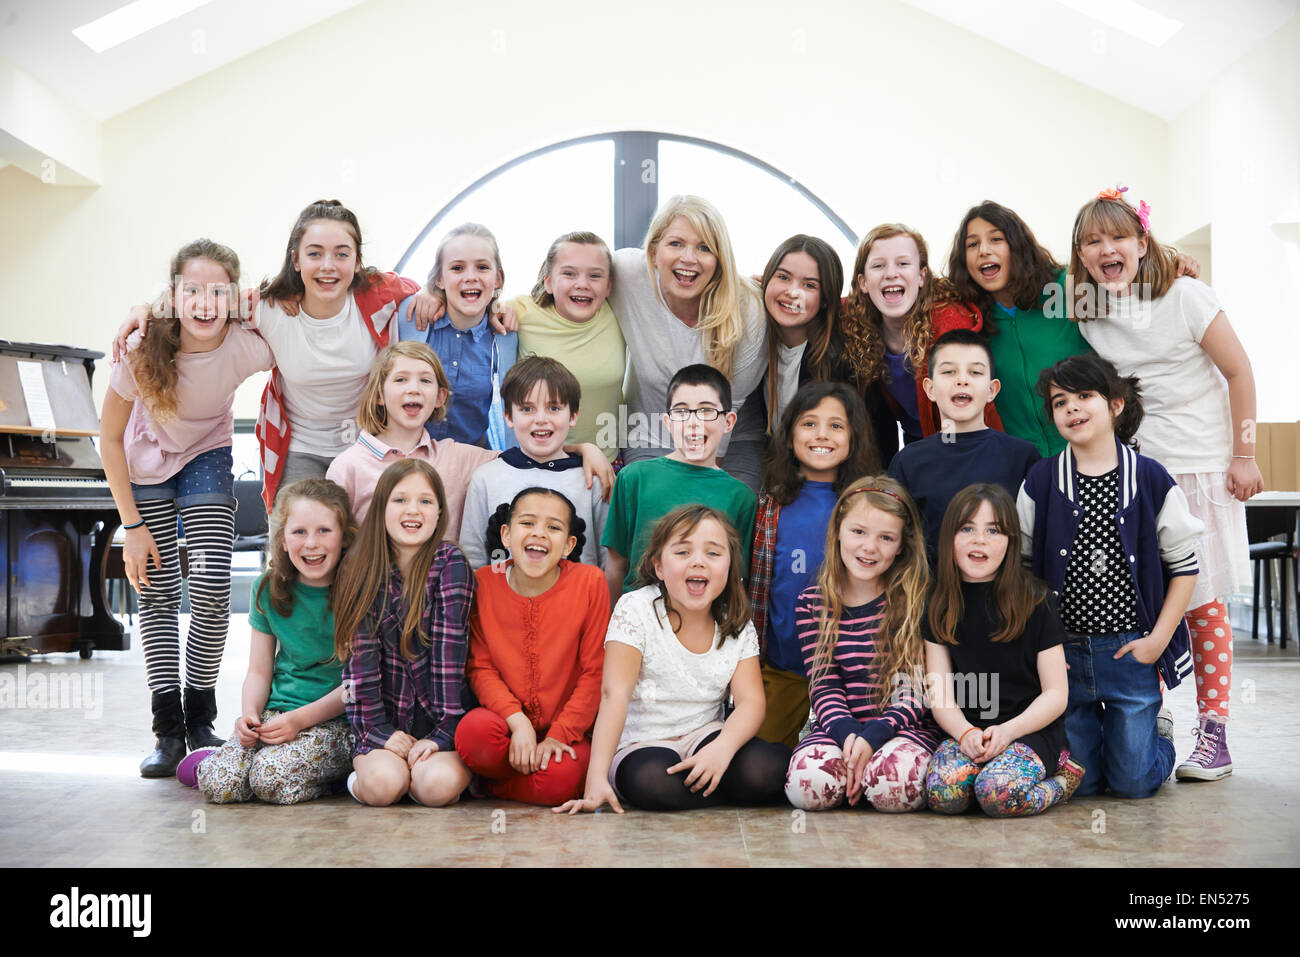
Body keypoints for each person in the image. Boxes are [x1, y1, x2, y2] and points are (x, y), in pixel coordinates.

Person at [1067, 186, 1262, 781]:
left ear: (1142, 241)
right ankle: (1156, 718)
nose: (1106, 249)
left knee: (1201, 604)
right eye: (1092, 241)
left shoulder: (1187, 294)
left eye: (1118, 236)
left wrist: (1245, 454)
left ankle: (1216, 735)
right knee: (1147, 605)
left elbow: (1239, 369)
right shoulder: (1084, 307)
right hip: (1133, 475)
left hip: (1200, 468)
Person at [101, 238, 273, 778]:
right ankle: (166, 730)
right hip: (146, 460)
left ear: (235, 298)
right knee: (157, 590)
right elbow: (107, 440)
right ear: (171, 296)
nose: (204, 302)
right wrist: (132, 527)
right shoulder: (141, 348)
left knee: (211, 588)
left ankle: (200, 718)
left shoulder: (248, 342)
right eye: (191, 289)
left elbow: (300, 314)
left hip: (206, 454)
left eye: (217, 291)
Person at [1018, 354, 1203, 799]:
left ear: (1116, 404)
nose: (1072, 409)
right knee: (1083, 786)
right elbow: (1022, 569)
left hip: (1130, 651)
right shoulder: (1041, 481)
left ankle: (1156, 734)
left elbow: (1185, 567)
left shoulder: (1151, 478)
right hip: (1065, 656)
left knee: (1133, 783)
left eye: (1085, 396)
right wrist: (1040, 646)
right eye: (1060, 402)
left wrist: (1158, 640)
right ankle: (1108, 741)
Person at [556, 505, 791, 813]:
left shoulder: (734, 620)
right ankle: (727, 790)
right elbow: (614, 695)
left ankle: (717, 780)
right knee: (652, 781)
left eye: (713, 553)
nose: (698, 562)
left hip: (707, 735)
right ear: (659, 567)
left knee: (771, 768)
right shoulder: (635, 609)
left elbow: (750, 702)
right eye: (682, 552)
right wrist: (595, 778)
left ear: (730, 566)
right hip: (644, 744)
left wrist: (722, 749)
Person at [326, 342, 612, 543]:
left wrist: (584, 449)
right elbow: (334, 541)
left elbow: (530, 454)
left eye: (425, 381)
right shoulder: (348, 466)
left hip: (439, 604)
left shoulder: (458, 457)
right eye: (401, 379)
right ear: (378, 394)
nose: (413, 388)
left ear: (439, 398)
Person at [188, 479, 356, 803]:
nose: (311, 544)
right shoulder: (267, 587)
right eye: (299, 532)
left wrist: (300, 721)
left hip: (337, 723)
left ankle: (334, 780)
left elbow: (358, 684)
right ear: (282, 539)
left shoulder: (359, 590)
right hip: (277, 714)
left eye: (324, 531)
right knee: (219, 785)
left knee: (268, 778)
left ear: (345, 537)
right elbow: (259, 671)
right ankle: (222, 762)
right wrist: (249, 714)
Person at [923, 484, 1083, 817]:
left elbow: (1056, 694)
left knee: (998, 794)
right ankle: (982, 776)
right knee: (942, 793)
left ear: (1010, 542)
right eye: (967, 528)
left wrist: (1009, 731)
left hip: (1029, 730)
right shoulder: (938, 603)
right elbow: (940, 694)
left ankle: (1063, 780)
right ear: (948, 537)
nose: (979, 539)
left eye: (993, 530)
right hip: (968, 730)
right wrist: (964, 732)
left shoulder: (1036, 600)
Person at [784, 476, 940, 812]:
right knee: (806, 787)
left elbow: (915, 689)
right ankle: (858, 775)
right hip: (841, 727)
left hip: (902, 727)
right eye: (858, 532)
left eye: (886, 538)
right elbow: (823, 685)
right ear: (838, 529)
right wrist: (850, 736)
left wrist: (875, 737)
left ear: (901, 546)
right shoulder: (812, 603)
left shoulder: (914, 600)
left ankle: (870, 778)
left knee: (894, 784)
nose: (869, 547)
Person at [332, 460, 475, 807]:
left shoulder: (450, 563)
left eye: (425, 501)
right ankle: (372, 777)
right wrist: (380, 732)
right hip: (384, 720)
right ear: (381, 508)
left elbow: (451, 663)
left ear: (440, 513)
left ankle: (417, 777)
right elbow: (357, 672)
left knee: (437, 788)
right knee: (382, 787)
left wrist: (442, 736)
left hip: (442, 721)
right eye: (400, 500)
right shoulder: (360, 568)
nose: (413, 510)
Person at [455, 488, 610, 804]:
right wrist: (519, 722)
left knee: (560, 778)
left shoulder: (590, 582)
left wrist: (558, 735)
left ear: (568, 545)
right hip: (505, 724)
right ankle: (516, 769)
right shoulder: (485, 582)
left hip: (567, 731)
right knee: (473, 736)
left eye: (553, 527)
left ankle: (492, 787)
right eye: (527, 523)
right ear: (506, 535)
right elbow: (480, 667)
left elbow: (596, 672)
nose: (539, 532)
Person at [748, 381, 877, 749]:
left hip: (854, 679)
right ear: (789, 437)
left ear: (854, 438)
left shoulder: (867, 505)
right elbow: (757, 588)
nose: (822, 434)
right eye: (809, 424)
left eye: (836, 426)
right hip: (783, 671)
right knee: (757, 770)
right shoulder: (769, 507)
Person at [840, 223, 1001, 463]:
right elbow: (820, 302)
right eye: (878, 265)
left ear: (921, 276)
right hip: (917, 439)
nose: (891, 273)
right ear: (863, 283)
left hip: (965, 440)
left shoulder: (949, 327)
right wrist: (766, 286)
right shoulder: (858, 322)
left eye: (903, 263)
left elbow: (980, 410)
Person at [601, 364, 757, 603]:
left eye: (707, 411)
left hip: (705, 627)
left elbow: (736, 580)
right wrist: (612, 626)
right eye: (682, 412)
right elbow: (615, 564)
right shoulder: (634, 478)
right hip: (637, 625)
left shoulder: (741, 497)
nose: (693, 422)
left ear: (728, 421)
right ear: (667, 421)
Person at [887, 329, 1039, 556]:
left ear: (992, 390)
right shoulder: (908, 461)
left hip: (1006, 589)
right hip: (932, 589)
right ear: (929, 389)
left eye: (975, 372)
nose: (962, 380)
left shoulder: (1022, 457)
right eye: (949, 371)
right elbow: (898, 541)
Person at [459, 356, 609, 570]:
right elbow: (472, 558)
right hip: (504, 601)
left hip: (575, 602)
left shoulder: (591, 479)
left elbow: (607, 559)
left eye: (554, 408)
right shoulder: (485, 478)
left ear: (573, 416)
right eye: (527, 409)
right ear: (508, 417)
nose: (541, 419)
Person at [396, 222, 518, 449]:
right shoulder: (411, 316)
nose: (470, 277)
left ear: (498, 278)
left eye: (482, 267)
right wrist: (424, 290)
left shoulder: (504, 336)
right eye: (457, 268)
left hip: (471, 457)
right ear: (439, 279)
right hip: (408, 456)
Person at [508, 232, 625, 459]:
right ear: (548, 282)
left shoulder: (619, 314)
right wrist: (433, 295)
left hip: (607, 462)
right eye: (569, 274)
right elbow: (472, 306)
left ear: (609, 286)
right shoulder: (522, 311)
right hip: (539, 462)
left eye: (595, 276)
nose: (582, 284)